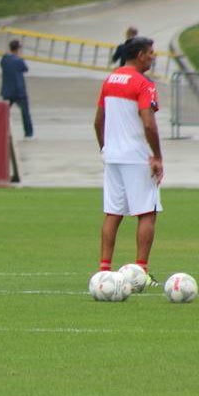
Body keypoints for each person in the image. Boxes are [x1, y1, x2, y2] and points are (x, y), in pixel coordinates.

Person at [94, 36, 161, 287]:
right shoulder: (144, 84)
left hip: (113, 156)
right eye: (151, 52)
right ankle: (141, 272)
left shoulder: (110, 79)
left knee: (113, 212)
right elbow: (148, 123)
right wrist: (157, 156)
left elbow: (98, 121)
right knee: (146, 212)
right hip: (136, 157)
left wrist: (105, 148)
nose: (153, 57)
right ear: (140, 55)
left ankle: (104, 270)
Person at [0, 40, 34, 139]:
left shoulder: (4, 60)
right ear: (18, 49)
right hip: (19, 91)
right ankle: (28, 134)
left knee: (4, 113)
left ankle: (2, 131)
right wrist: (20, 57)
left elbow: (3, 64)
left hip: (7, 91)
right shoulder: (19, 60)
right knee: (25, 113)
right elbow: (25, 69)